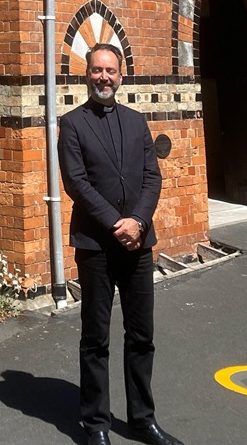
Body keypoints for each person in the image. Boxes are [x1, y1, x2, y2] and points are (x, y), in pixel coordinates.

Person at [58, 43, 184, 445]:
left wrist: (139, 221)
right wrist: (117, 223)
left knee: (141, 335)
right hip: (96, 244)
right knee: (96, 338)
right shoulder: (72, 123)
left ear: (121, 75)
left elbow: (153, 178)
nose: (104, 78)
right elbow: (76, 183)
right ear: (87, 75)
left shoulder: (136, 121)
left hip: (138, 244)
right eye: (97, 70)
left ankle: (143, 419)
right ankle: (95, 424)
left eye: (110, 71)